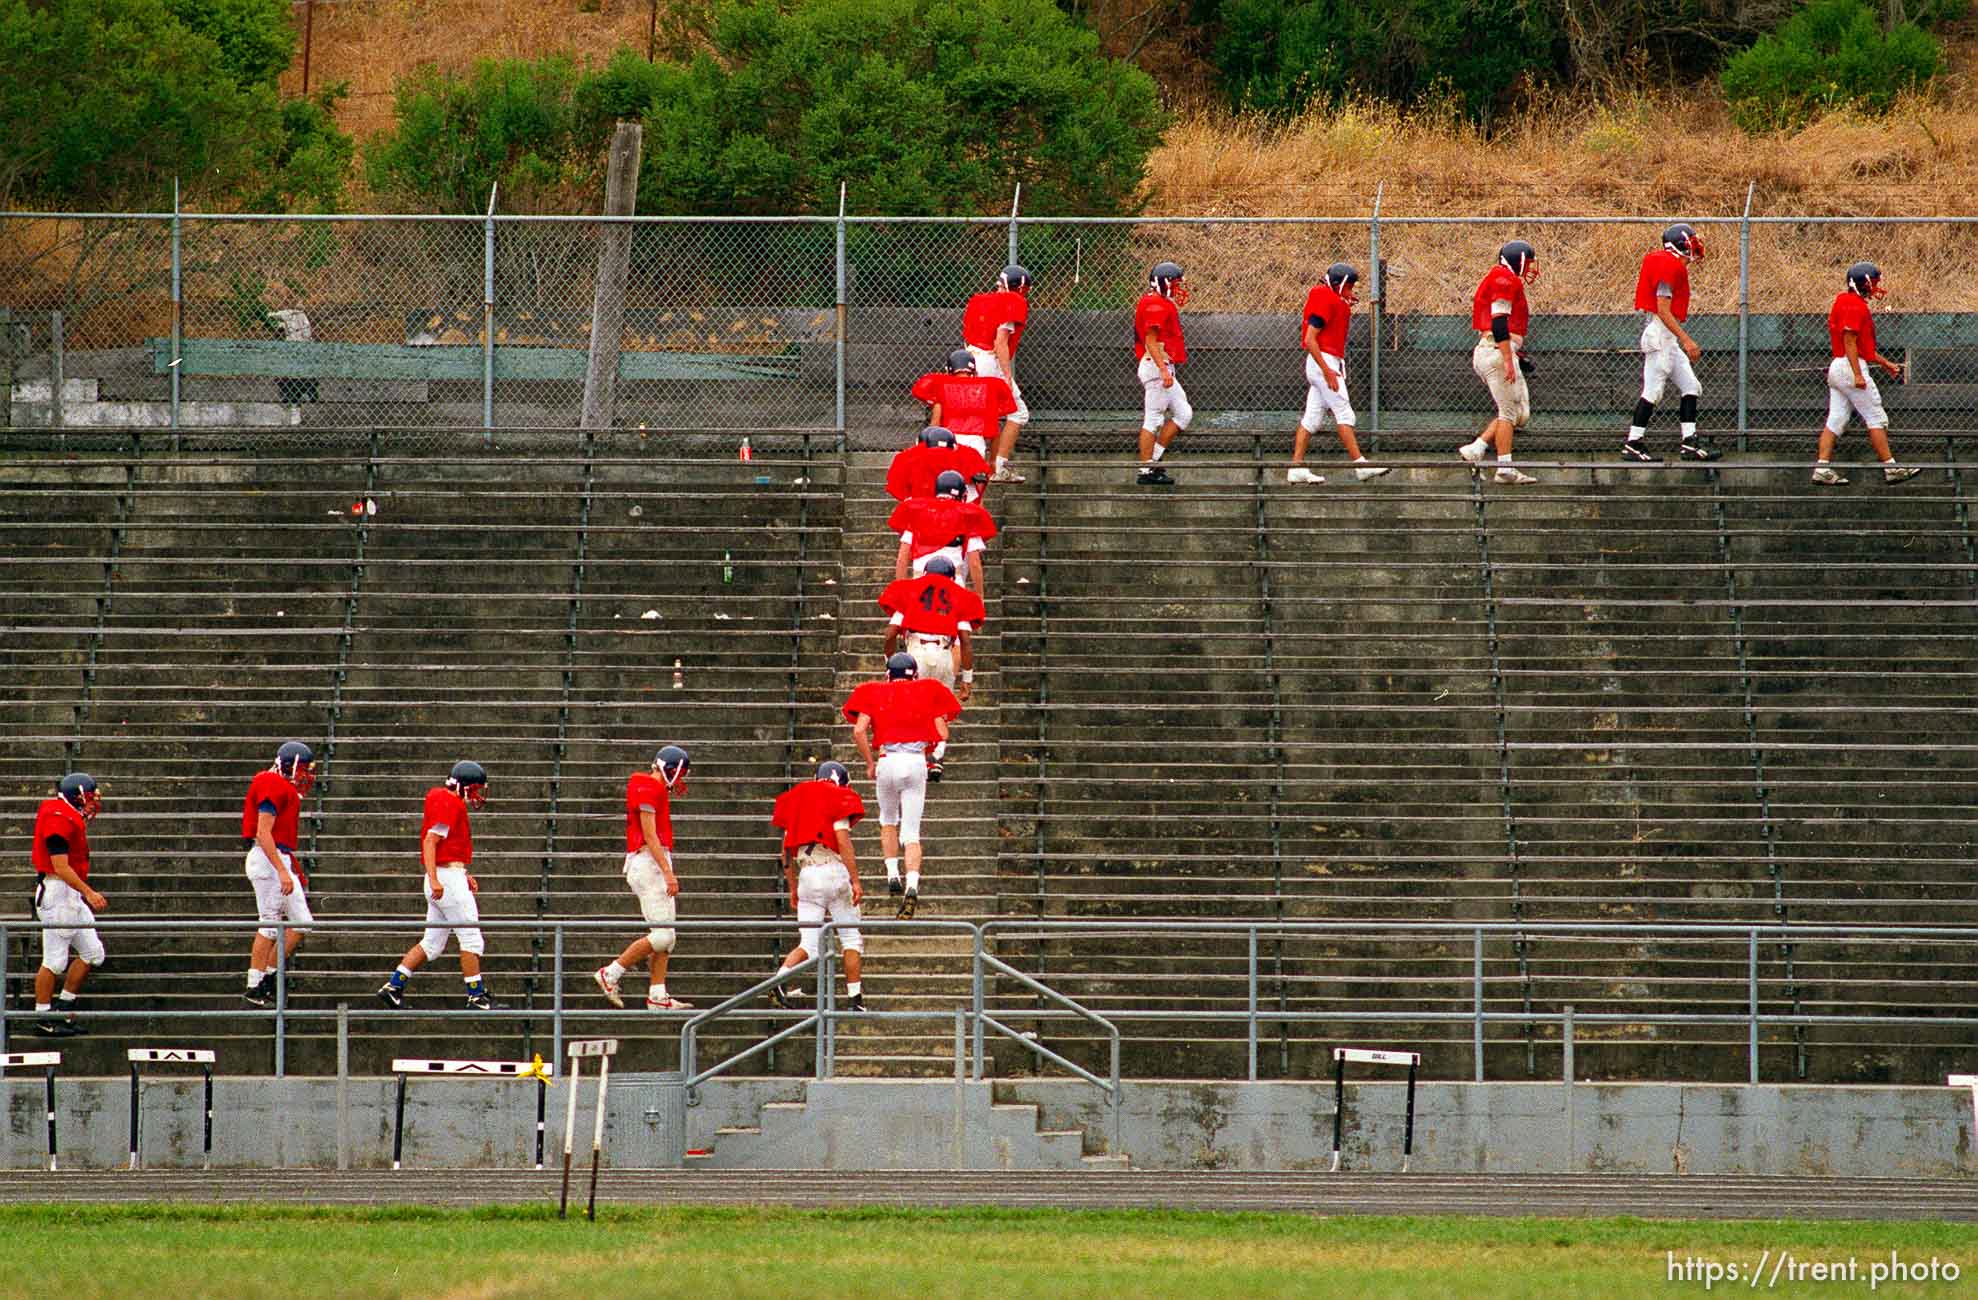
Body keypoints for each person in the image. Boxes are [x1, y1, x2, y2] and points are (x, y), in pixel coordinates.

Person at [844, 652, 962, 919]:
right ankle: (912, 885)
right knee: (911, 833)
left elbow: (859, 730)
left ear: (889, 674)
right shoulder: (927, 689)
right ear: (914, 674)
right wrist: (931, 747)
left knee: (888, 820)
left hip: (887, 759)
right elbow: (943, 732)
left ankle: (891, 873)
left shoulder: (872, 691)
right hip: (915, 761)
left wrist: (870, 763)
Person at [377, 760, 494, 1011]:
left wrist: (460, 873)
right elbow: (431, 841)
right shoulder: (450, 803)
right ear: (463, 786)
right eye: (474, 788)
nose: (477, 794)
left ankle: (393, 986)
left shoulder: (444, 799)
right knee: (471, 939)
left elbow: (444, 847)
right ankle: (476, 996)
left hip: (446, 876)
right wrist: (435, 878)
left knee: (432, 943)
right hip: (445, 880)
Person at [594, 745, 694, 1011]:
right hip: (648, 862)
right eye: (679, 772)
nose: (681, 778)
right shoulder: (649, 786)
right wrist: (668, 872)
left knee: (668, 935)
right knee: (662, 935)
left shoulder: (653, 787)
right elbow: (650, 836)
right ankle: (611, 973)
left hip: (651, 861)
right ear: (670, 768)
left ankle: (657, 996)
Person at [767, 760, 867, 1012]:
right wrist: (855, 879)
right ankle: (855, 1000)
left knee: (809, 944)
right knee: (850, 938)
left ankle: (779, 980)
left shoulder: (797, 800)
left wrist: (792, 888)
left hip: (807, 875)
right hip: (832, 870)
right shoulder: (837, 796)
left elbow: (786, 854)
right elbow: (843, 843)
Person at [1812, 261, 1923, 486]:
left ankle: (1822, 468)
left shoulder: (1844, 301)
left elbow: (1863, 348)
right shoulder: (1855, 305)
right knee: (1876, 417)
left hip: (1838, 366)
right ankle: (1891, 468)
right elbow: (1850, 341)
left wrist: (1884, 363)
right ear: (1863, 283)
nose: (1876, 286)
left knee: (1836, 419)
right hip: (1849, 367)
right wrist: (1858, 375)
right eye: (1873, 282)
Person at [1620, 224, 1720, 464]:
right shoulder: (1668, 264)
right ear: (1679, 243)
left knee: (1691, 386)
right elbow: (1663, 309)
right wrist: (1687, 340)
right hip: (1661, 335)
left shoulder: (1666, 261)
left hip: (1666, 337)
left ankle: (1689, 442)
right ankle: (1633, 443)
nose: (1694, 246)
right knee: (1652, 392)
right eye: (1691, 241)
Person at [1288, 262, 1389, 485]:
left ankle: (1296, 467)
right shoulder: (1325, 298)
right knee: (1344, 413)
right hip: (1323, 362)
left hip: (1323, 362)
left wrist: (1344, 301)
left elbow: (1333, 315)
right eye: (1349, 287)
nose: (1351, 293)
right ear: (1337, 285)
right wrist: (1328, 372)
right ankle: (1360, 465)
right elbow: (1310, 339)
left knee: (1312, 419)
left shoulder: (1331, 298)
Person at [1457, 240, 1541, 485]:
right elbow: (1499, 322)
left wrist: (1514, 354)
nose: (1531, 268)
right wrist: (1507, 357)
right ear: (1520, 259)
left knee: (1520, 414)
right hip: (1496, 350)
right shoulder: (1504, 279)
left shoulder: (1502, 277)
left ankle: (1477, 447)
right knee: (1508, 413)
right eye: (1529, 261)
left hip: (1497, 349)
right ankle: (1505, 468)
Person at [30, 773, 106, 1037]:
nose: (94, 801)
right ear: (78, 794)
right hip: (58, 891)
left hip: (69, 893)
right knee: (55, 960)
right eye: (91, 795)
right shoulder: (57, 816)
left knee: (93, 953)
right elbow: (60, 867)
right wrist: (89, 892)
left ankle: (64, 1006)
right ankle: (42, 1016)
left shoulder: (67, 813)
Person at [242, 740, 315, 1008]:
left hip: (277, 857)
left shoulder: (280, 785)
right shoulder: (271, 783)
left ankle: (269, 976)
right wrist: (282, 871)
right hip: (267, 859)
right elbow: (263, 833)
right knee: (270, 923)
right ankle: (254, 984)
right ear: (289, 765)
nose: (306, 774)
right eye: (303, 768)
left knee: (302, 921)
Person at [961, 266, 1034, 482]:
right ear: (1018, 287)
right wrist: (1007, 374)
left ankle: (976, 465)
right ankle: (997, 467)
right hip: (988, 361)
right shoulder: (1011, 302)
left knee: (978, 415)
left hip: (970, 357)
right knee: (1018, 413)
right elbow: (1000, 341)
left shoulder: (982, 300)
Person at [880, 554, 985, 702]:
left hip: (916, 654)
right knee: (941, 713)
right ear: (952, 578)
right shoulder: (959, 596)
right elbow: (965, 641)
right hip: (944, 655)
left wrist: (892, 664)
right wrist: (967, 680)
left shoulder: (908, 591)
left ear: (925, 573)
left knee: (913, 709)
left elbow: (890, 634)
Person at [889, 469, 997, 593]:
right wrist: (980, 597)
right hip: (952, 581)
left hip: (920, 580)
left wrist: (900, 594)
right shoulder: (967, 516)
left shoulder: (918, 513)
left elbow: (902, 558)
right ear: (961, 494)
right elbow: (975, 563)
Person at [1135, 261, 1191, 487]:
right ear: (1164, 282)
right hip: (1156, 365)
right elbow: (1150, 340)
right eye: (1175, 284)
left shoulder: (1159, 301)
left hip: (1162, 365)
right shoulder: (1154, 304)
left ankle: (1154, 460)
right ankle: (1146, 469)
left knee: (1184, 414)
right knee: (1154, 419)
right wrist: (1162, 369)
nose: (1178, 289)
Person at [911, 349, 1019, 461]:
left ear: (950, 369)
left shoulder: (941, 384)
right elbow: (995, 432)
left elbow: (934, 424)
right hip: (976, 445)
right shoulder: (989, 387)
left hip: (948, 440)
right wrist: (992, 461)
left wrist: (936, 402)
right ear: (973, 370)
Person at [886, 426, 990, 505]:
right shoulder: (967, 454)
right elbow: (981, 479)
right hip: (957, 509)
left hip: (920, 509)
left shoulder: (908, 457)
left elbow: (895, 487)